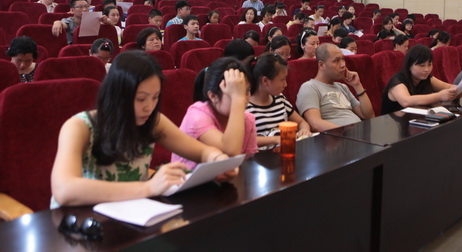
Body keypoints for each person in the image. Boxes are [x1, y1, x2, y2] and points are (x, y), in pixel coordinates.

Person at [50, 51, 234, 207]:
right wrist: (148, 187)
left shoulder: (152, 121)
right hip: (82, 219)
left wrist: (218, 160)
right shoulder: (80, 127)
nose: (149, 107)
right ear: (117, 95)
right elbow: (64, 190)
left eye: (155, 97)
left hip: (131, 212)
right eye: (141, 99)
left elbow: (202, 151)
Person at [172, 57, 257, 162]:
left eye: (247, 91)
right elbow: (231, 153)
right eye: (234, 92)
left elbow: (248, 163)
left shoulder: (247, 120)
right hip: (189, 173)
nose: (244, 98)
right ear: (213, 96)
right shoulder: (197, 116)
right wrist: (237, 97)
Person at [295, 44, 374, 131]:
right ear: (321, 65)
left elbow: (368, 116)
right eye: (336, 61)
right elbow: (315, 123)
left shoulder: (342, 87)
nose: (343, 65)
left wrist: (357, 85)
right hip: (338, 136)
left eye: (343, 59)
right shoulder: (309, 87)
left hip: (357, 133)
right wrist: (346, 133)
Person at [246, 53, 311, 149]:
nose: (285, 84)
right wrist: (276, 139)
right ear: (265, 81)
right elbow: (244, 140)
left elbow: (301, 122)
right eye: (282, 79)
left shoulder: (279, 99)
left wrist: (304, 130)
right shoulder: (245, 106)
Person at [381, 45, 458, 114]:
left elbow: (449, 87)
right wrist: (439, 96)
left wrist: (456, 90)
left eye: (429, 65)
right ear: (409, 66)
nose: (427, 69)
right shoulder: (398, 80)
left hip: (418, 119)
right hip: (393, 123)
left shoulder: (426, 78)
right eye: (422, 65)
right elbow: (406, 101)